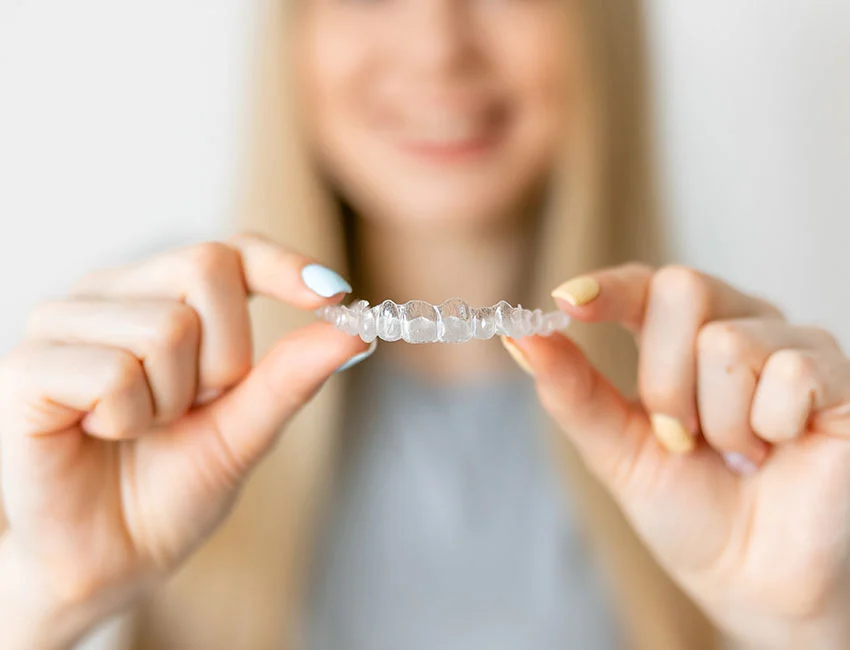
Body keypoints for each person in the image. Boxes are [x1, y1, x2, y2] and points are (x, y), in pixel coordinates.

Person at [2, 0, 850, 647]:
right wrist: (43, 596)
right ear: (291, 35)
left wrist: (812, 623)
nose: (438, 44)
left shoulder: (744, 425)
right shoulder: (140, 392)